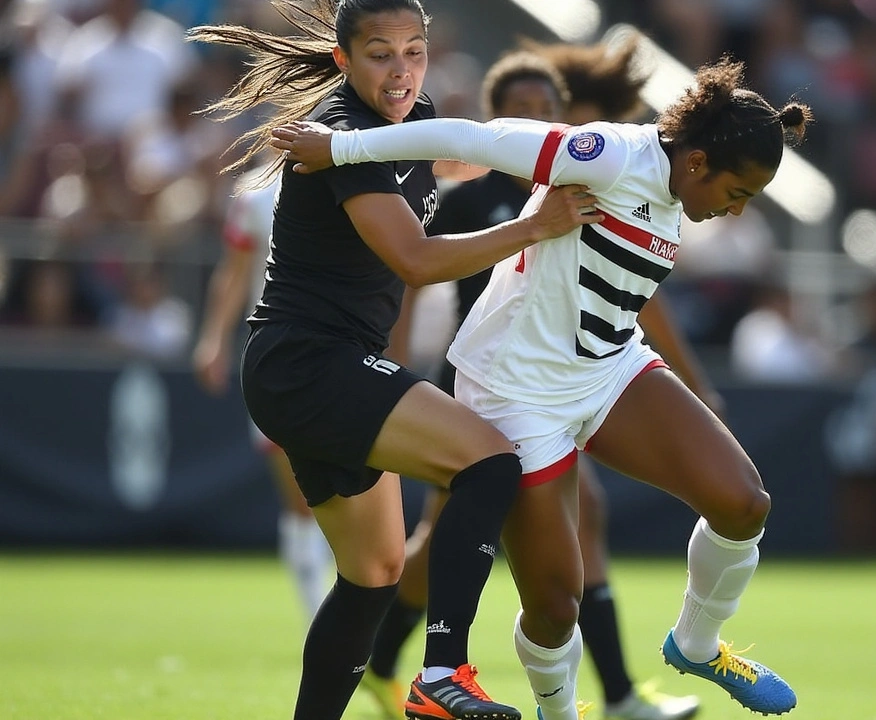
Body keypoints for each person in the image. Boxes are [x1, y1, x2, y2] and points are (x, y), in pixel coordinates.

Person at [272, 55, 808, 719]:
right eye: (739, 192)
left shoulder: (679, 192)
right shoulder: (610, 154)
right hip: (516, 391)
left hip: (609, 366)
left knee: (744, 503)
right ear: (697, 162)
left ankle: (695, 645)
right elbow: (472, 138)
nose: (738, 210)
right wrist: (342, 147)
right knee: (556, 608)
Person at [189, 2, 603, 719]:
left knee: (373, 575)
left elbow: (456, 157)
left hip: (308, 368)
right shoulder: (344, 133)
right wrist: (534, 225)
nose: (402, 69)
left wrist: (580, 153)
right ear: (346, 61)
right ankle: (444, 670)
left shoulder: (408, 122)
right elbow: (413, 260)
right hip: (310, 361)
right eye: (381, 53)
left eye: (414, 50)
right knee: (489, 461)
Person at [362, 44, 705, 720]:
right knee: (450, 537)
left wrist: (687, 376)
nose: (538, 121)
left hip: (568, 382)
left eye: (546, 110)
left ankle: (616, 693)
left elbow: (638, 291)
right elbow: (413, 269)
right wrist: (394, 355)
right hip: (487, 383)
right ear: (501, 123)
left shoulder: (595, 184)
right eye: (521, 113)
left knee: (578, 523)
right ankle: (389, 660)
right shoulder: (473, 198)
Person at [191, 160, 333, 622]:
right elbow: (235, 271)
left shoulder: (364, 172)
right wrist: (214, 338)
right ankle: (319, 617)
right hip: (279, 361)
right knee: (302, 497)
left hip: (346, 354)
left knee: (348, 490)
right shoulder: (255, 193)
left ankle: (344, 614)